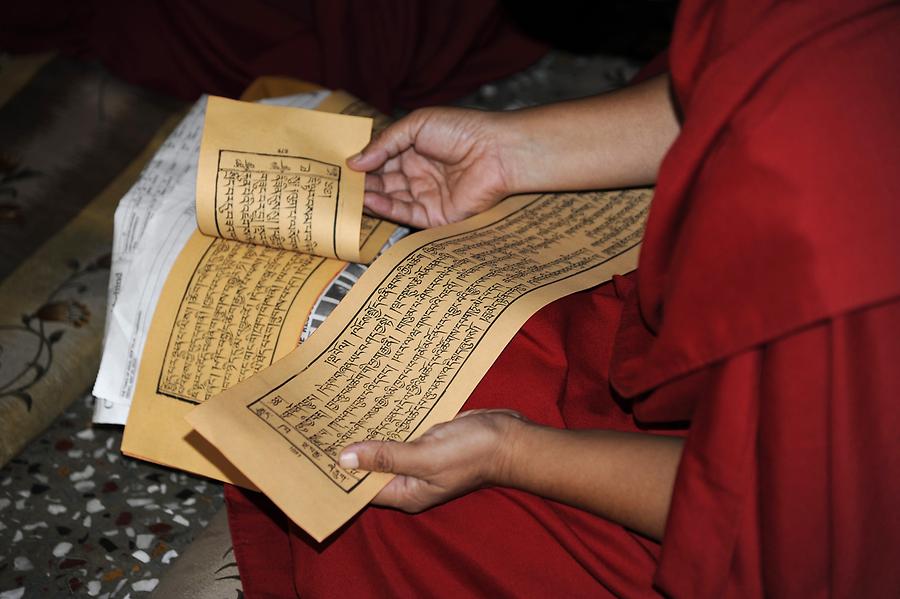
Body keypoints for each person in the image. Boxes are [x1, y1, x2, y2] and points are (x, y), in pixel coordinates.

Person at [225, 0, 900, 596]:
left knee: (378, 497)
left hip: (781, 522)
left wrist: (513, 455)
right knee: (477, 323)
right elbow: (738, 87)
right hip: (725, 353)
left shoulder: (847, 265)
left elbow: (778, 525)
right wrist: (513, 150)